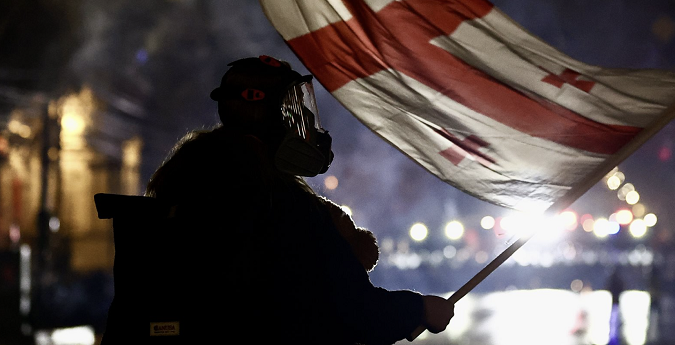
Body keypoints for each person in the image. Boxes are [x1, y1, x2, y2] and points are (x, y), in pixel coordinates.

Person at [104, 55, 453, 344]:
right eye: (293, 111)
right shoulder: (283, 207)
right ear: (269, 116)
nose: (303, 125)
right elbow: (352, 309)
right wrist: (420, 309)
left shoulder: (181, 193)